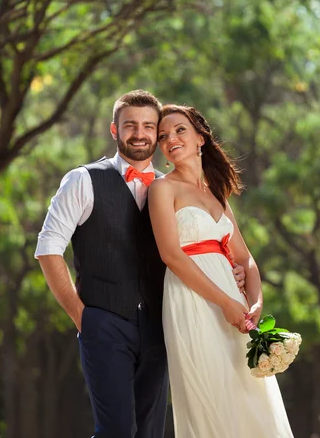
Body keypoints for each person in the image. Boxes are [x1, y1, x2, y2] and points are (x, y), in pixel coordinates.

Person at [35, 90, 246, 438]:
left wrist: (231, 270)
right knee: (117, 430)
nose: (140, 133)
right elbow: (48, 249)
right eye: (130, 125)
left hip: (161, 324)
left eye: (150, 126)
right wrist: (81, 315)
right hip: (104, 321)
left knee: (150, 431)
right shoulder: (84, 180)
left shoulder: (171, 189)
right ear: (114, 130)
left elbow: (199, 244)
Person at [148, 104, 294, 438]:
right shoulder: (162, 189)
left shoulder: (217, 192)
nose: (171, 138)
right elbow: (171, 255)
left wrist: (255, 304)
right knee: (211, 392)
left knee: (248, 393)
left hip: (234, 305)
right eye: (163, 136)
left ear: (200, 137)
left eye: (180, 130)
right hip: (192, 300)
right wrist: (225, 302)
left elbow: (245, 259)